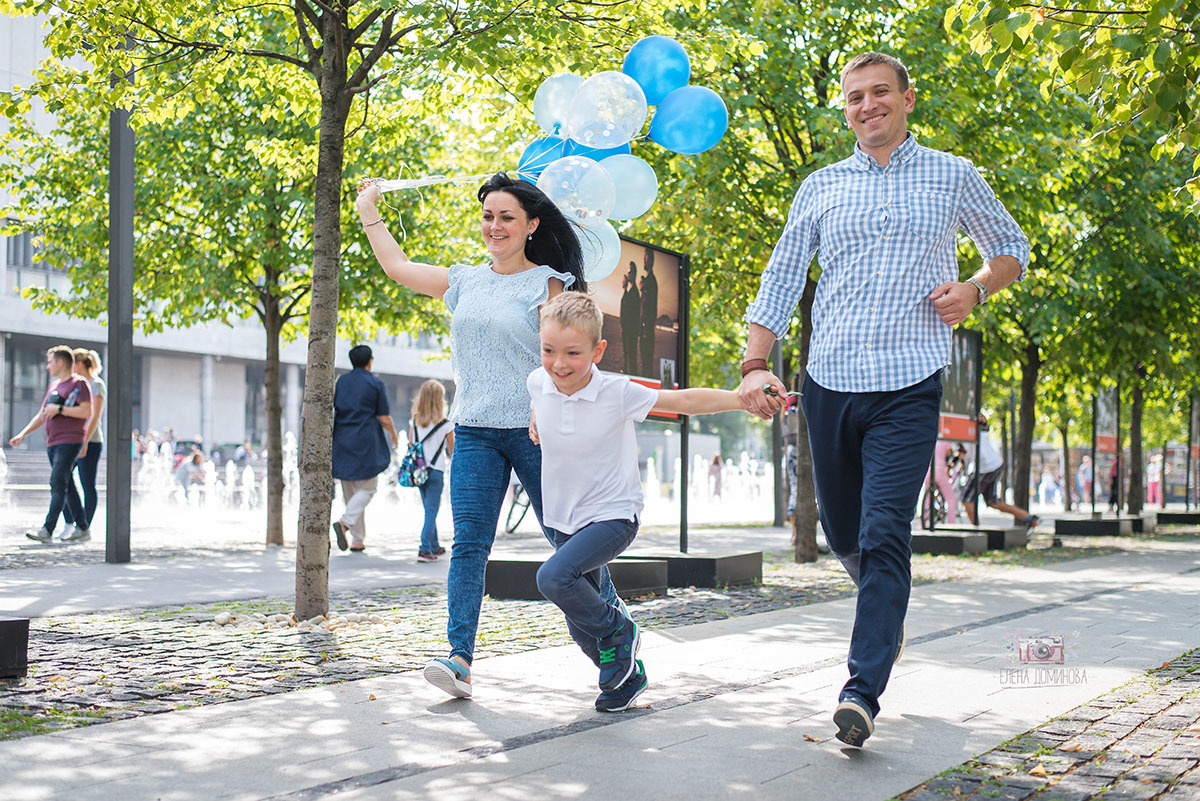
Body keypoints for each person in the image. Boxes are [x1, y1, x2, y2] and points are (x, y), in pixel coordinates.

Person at [735, 52, 1029, 747]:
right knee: (845, 536)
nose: (866, 105)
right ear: (846, 108)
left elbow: (1011, 246)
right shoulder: (821, 185)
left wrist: (976, 288)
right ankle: (884, 611)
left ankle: (860, 688)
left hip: (909, 381)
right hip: (829, 381)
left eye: (879, 93)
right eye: (854, 97)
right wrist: (754, 362)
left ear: (907, 98)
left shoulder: (952, 174)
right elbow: (780, 277)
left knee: (882, 533)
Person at [355, 171, 623, 699]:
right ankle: (459, 659)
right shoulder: (465, 280)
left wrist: (551, 408)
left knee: (568, 543)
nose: (494, 226)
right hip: (475, 429)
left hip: (535, 433)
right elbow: (397, 266)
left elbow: (561, 358)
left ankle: (614, 639)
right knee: (468, 545)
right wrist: (370, 209)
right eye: (487, 216)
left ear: (531, 225)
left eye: (506, 217)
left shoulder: (548, 283)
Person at [529, 293, 743, 711]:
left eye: (573, 353)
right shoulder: (538, 382)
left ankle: (619, 630)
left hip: (613, 517)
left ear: (598, 350)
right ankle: (625, 678)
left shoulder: (617, 392)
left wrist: (740, 399)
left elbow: (683, 402)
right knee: (578, 627)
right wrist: (537, 420)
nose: (558, 364)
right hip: (562, 520)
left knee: (553, 579)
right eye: (549, 351)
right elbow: (542, 404)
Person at [9, 345, 94, 543]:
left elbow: (86, 411)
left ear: (61, 362)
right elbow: (42, 415)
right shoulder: (53, 386)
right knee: (67, 484)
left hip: (70, 441)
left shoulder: (79, 384)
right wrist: (22, 434)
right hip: (53, 442)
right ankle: (82, 528)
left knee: (57, 481)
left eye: (50, 362)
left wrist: (61, 409)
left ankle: (47, 530)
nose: (47, 366)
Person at [330, 344, 398, 554]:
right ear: (370, 361)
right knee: (368, 488)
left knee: (351, 492)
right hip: (366, 442)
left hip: (342, 440)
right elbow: (384, 417)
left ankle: (357, 540)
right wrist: (394, 435)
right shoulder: (375, 383)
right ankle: (344, 523)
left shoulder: (340, 382)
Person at [61, 349, 106, 541]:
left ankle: (84, 526)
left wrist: (85, 442)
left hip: (91, 441)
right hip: (72, 440)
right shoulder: (76, 385)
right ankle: (72, 522)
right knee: (61, 479)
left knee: (87, 484)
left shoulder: (97, 385)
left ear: (80, 364)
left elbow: (94, 416)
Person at [963, 416, 1039, 528]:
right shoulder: (973, 425)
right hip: (995, 464)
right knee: (993, 502)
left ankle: (976, 529)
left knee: (967, 499)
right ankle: (1029, 518)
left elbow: (984, 426)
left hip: (985, 467)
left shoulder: (966, 424)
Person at [411, 379, 453, 562]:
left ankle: (434, 545)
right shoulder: (446, 425)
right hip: (436, 471)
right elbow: (453, 452)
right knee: (431, 510)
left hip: (419, 472)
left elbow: (413, 447)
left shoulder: (414, 422)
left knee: (428, 509)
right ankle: (424, 549)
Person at [639, 248, 658, 377]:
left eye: (648, 258)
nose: (646, 260)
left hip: (647, 328)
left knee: (647, 361)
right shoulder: (647, 280)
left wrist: (645, 327)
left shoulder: (651, 281)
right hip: (644, 327)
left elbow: (650, 307)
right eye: (644, 258)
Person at [619, 261, 641, 375]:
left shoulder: (635, 293)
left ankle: (632, 375)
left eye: (631, 271)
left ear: (635, 273)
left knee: (631, 354)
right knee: (626, 353)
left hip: (631, 331)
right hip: (626, 329)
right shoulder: (628, 291)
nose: (629, 274)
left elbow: (634, 314)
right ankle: (627, 372)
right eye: (628, 271)